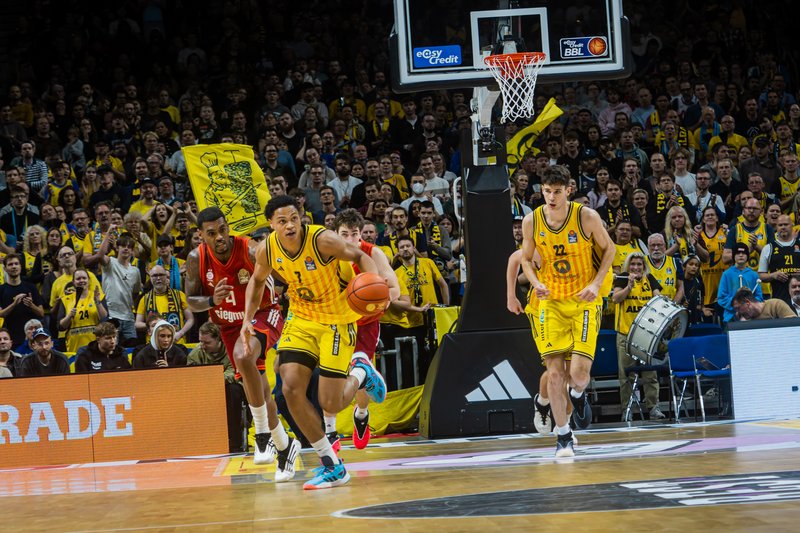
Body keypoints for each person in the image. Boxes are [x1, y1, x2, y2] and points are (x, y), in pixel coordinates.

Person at [241, 195, 387, 490]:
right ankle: (331, 465)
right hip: (302, 319)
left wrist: (374, 284)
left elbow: (359, 255)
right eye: (282, 221)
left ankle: (361, 373)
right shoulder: (268, 248)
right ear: (272, 225)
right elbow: (257, 281)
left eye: (294, 218)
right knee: (290, 385)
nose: (290, 225)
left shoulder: (322, 239)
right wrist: (247, 318)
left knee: (329, 402)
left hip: (336, 320)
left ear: (301, 217)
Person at [184, 206, 295, 475]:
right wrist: (212, 300)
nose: (219, 237)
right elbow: (191, 300)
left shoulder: (250, 250)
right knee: (259, 389)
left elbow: (286, 275)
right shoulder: (195, 258)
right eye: (212, 233)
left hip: (263, 314)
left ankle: (261, 434)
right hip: (229, 325)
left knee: (244, 356)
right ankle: (284, 445)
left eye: (223, 230)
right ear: (201, 235)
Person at [520, 165, 615, 457]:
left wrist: (597, 284)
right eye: (546, 191)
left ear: (568, 190)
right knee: (555, 373)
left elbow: (610, 249)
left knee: (580, 375)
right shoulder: (532, 221)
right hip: (550, 302)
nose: (551, 197)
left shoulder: (586, 216)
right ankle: (563, 436)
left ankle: (576, 396)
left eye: (557, 191)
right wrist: (535, 283)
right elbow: (524, 259)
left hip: (584, 300)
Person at [331, 209, 401, 450]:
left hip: (366, 322)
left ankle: (361, 415)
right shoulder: (329, 254)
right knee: (331, 375)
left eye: (354, 234)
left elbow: (394, 288)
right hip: (338, 320)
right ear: (336, 234)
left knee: (358, 376)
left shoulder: (374, 253)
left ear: (361, 234)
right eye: (344, 234)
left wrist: (379, 297)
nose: (350, 240)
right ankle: (330, 431)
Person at [612, 252, 666, 420]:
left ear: (644, 266)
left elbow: (657, 299)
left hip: (646, 335)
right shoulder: (622, 277)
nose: (636, 267)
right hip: (625, 334)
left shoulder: (649, 279)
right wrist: (629, 287)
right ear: (628, 265)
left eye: (639, 264)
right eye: (633, 264)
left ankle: (654, 407)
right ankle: (627, 409)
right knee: (626, 375)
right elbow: (615, 299)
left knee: (650, 374)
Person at [188, 322, 248, 453]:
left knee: (235, 389)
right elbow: (191, 377)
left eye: (207, 343)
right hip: (204, 393)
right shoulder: (195, 354)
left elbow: (234, 372)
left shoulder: (231, 350)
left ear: (219, 340)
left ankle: (235, 444)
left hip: (226, 391)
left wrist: (213, 380)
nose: (203, 346)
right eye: (201, 341)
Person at [97, 231, 142, 343]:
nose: (126, 249)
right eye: (123, 246)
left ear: (132, 251)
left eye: (129, 247)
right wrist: (107, 234)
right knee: (110, 349)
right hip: (111, 316)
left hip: (128, 318)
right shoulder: (110, 263)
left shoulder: (135, 271)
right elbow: (100, 255)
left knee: (132, 350)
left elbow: (135, 294)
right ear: (117, 248)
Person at [135, 264, 194, 344]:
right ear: (151, 278)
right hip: (153, 343)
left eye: (161, 275)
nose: (158, 278)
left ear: (167, 277)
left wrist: (180, 333)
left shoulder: (179, 295)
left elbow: (190, 319)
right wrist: (154, 325)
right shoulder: (145, 299)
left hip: (176, 341)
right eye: (155, 275)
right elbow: (137, 324)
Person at [55, 268, 108, 352]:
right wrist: (69, 316)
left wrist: (97, 302)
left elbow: (104, 319)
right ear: (73, 282)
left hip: (95, 345)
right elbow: (60, 327)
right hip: (74, 346)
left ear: (89, 280)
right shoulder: (65, 300)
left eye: (84, 278)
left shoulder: (98, 296)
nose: (81, 280)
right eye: (78, 279)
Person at [0, 253, 45, 349]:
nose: (14, 266)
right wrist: (14, 303)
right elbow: (1, 313)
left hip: (32, 337)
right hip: (12, 337)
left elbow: (41, 313)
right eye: (10, 264)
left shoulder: (31, 287)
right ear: (5, 268)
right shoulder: (1, 289)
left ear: (21, 267)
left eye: (16, 264)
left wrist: (31, 305)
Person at [758, 215, 800, 305]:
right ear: (776, 227)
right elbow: (761, 275)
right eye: (780, 225)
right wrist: (773, 275)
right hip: (779, 300)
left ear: (792, 225)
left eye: (786, 224)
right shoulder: (768, 248)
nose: (783, 227)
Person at [718, 243, 763, 323]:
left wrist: (748, 306)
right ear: (733, 256)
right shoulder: (726, 274)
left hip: (751, 317)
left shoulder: (754, 275)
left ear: (747, 257)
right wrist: (737, 304)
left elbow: (759, 298)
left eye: (744, 253)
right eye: (738, 253)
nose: (741, 255)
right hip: (730, 318)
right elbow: (721, 298)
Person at [732, 287, 796, 320]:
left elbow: (794, 324)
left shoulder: (776, 305)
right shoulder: (745, 319)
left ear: (747, 302)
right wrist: (743, 326)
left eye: (738, 308)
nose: (737, 313)